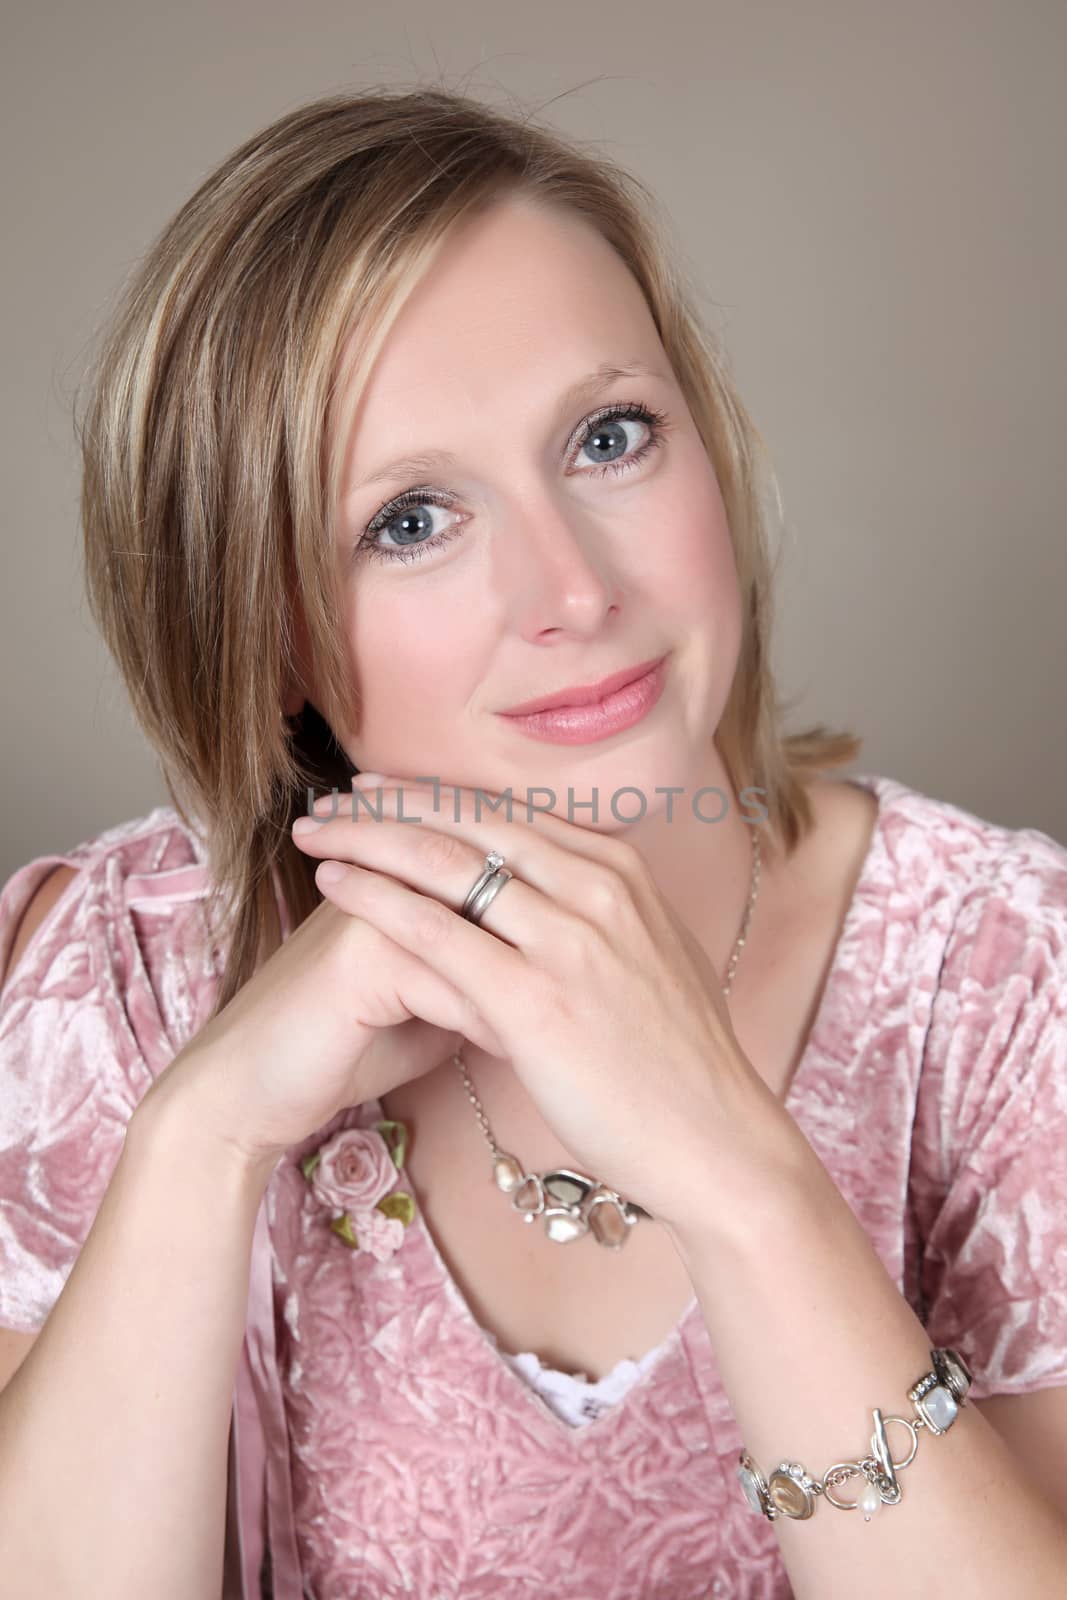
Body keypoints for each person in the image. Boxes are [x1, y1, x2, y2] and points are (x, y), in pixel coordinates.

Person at [1, 84, 1065, 1600]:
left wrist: (743, 1184)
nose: (571, 587)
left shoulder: (1013, 983)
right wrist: (205, 1135)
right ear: (268, 633)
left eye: (610, 436)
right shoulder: (119, 975)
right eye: (411, 522)